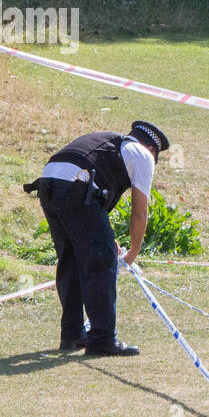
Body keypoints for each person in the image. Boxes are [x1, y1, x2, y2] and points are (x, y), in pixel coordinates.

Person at [25, 120, 170, 356]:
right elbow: (140, 211)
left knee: (71, 260)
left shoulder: (110, 142)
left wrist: (104, 236)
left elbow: (93, 197)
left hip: (49, 183)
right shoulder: (143, 155)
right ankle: (102, 339)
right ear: (152, 150)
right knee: (103, 261)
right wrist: (133, 251)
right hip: (76, 188)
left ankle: (72, 335)